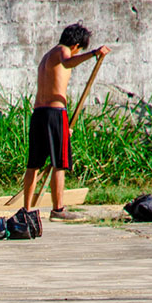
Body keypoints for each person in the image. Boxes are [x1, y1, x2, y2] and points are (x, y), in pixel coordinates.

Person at [22, 23, 110, 221]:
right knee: (59, 164)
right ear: (76, 45)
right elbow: (68, 62)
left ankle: (26, 210)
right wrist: (94, 54)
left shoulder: (47, 55)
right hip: (54, 113)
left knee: (33, 164)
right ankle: (58, 210)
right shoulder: (62, 51)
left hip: (39, 113)